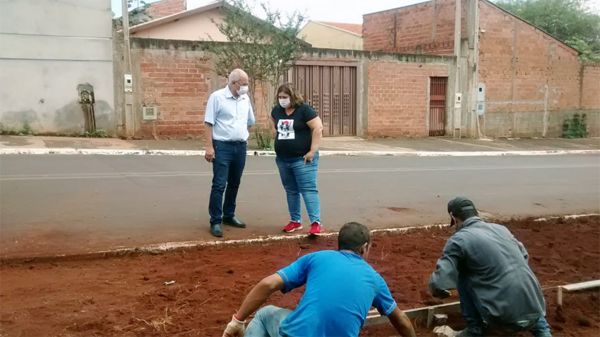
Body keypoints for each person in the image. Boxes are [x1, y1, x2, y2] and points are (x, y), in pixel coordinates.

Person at [222, 221, 417, 337]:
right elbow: (401, 321)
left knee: (265, 314)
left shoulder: (318, 258)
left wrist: (237, 322)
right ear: (364, 247)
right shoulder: (375, 279)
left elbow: (268, 284)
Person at [429, 197, 552, 337]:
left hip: (502, 319)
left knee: (463, 274)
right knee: (518, 269)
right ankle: (544, 332)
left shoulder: (458, 240)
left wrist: (440, 291)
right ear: (476, 213)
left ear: (453, 217)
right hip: (536, 309)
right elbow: (524, 256)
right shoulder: (502, 230)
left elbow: (439, 283)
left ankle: (474, 329)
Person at [204, 68, 255, 237]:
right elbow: (209, 123)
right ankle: (216, 220)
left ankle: (229, 215)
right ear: (233, 83)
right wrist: (209, 146)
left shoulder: (245, 99)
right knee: (219, 184)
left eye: (247, 84)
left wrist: (242, 135)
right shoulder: (217, 97)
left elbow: (250, 121)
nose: (246, 87)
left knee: (235, 182)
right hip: (222, 146)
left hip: (239, 147)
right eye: (244, 84)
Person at [271, 83, 324, 235]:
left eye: (285, 97)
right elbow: (274, 127)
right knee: (291, 190)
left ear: (292, 97)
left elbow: (318, 128)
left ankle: (316, 223)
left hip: (302, 159)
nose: (282, 100)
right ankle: (295, 221)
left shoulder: (304, 111)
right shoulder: (277, 111)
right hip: (283, 159)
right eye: (280, 97)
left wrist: (312, 151)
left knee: (308, 190)